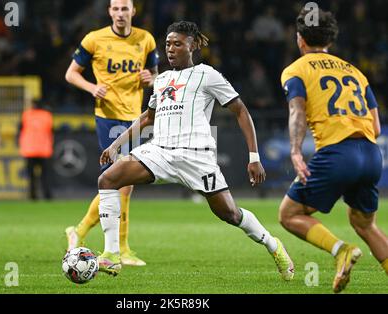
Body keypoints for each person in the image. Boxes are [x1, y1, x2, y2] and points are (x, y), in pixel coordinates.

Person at [94, 21, 295, 280]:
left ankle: (273, 244)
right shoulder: (162, 79)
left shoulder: (207, 74)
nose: (171, 49)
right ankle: (111, 255)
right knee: (108, 178)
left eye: (177, 43)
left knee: (230, 214)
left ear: (193, 45)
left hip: (196, 156)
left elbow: (240, 111)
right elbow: (147, 118)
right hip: (160, 151)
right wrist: (115, 145)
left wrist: (254, 157)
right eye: (167, 44)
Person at [278, 8, 388, 293]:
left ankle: (341, 250)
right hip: (371, 154)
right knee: (364, 223)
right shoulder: (355, 72)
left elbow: (297, 111)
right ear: (330, 40)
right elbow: (375, 127)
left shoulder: (296, 70)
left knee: (289, 215)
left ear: (300, 39)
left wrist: (296, 151)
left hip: (339, 154)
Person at [65, 0, 159, 266]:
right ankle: (95, 237)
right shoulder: (94, 39)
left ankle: (97, 238)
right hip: (108, 117)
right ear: (109, 12)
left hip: (135, 117)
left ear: (133, 11)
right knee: (121, 183)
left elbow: (155, 73)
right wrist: (92, 88)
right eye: (115, 9)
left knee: (126, 186)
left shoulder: (146, 39)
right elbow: (71, 74)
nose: (120, 13)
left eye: (124, 8)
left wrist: (150, 79)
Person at [18, 99, 54, 200]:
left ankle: (32, 196)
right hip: (44, 150)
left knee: (31, 176)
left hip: (29, 149)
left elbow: (20, 129)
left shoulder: (26, 115)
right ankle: (47, 196)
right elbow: (51, 130)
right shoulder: (47, 115)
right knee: (45, 176)